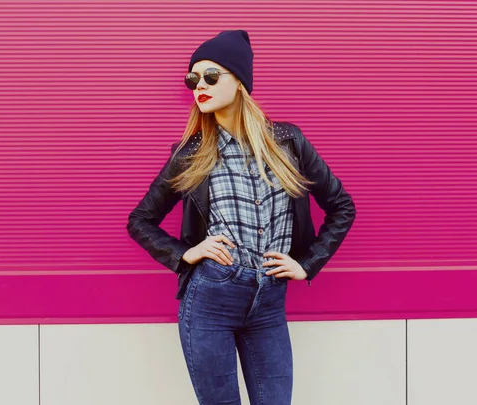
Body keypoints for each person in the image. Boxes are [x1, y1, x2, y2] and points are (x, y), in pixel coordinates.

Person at [127, 29, 356, 405]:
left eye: (211, 76)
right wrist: (186, 253)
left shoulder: (288, 142)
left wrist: (307, 264)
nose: (199, 85)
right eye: (193, 78)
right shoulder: (190, 153)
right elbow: (141, 220)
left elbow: (341, 205)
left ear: (240, 83)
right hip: (210, 299)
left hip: (269, 302)